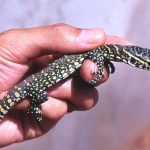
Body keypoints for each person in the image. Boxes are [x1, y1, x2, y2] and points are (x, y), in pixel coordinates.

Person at [0, 23, 131, 147]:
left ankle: (33, 105)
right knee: (42, 98)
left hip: (29, 88)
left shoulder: (101, 52)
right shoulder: (96, 51)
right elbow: (93, 53)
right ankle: (33, 105)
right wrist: (34, 106)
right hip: (29, 87)